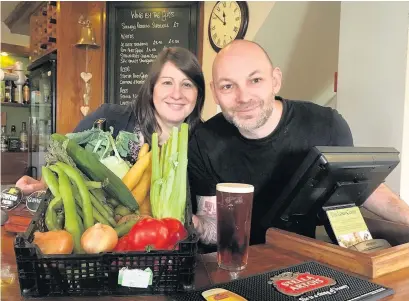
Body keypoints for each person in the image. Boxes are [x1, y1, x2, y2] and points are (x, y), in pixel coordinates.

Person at [188, 39, 409, 249]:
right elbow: (213, 224)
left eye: (255, 80)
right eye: (228, 86)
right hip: (235, 264)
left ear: (275, 80)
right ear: (215, 92)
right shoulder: (204, 141)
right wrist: (193, 225)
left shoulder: (326, 125)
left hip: (304, 260)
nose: (243, 97)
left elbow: (363, 187)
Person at [16, 47, 205, 195]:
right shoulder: (109, 119)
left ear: (199, 93)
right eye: (167, 82)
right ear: (152, 87)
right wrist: (42, 184)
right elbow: (61, 157)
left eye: (187, 84)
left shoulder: (206, 143)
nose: (177, 94)